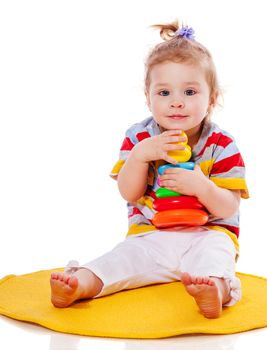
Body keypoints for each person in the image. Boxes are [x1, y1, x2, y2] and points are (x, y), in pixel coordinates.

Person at [50, 20, 249, 319]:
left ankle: (214, 292)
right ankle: (81, 283)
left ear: (212, 99)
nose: (177, 103)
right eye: (164, 93)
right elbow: (128, 192)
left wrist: (201, 187)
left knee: (215, 257)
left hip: (206, 233)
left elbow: (228, 206)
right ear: (148, 97)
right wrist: (141, 157)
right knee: (121, 259)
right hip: (151, 236)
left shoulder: (221, 144)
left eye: (190, 92)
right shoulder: (140, 137)